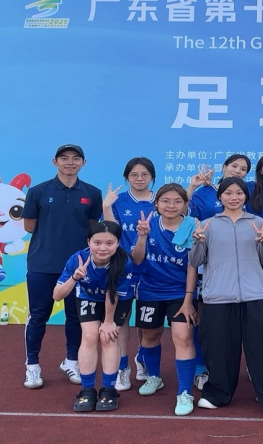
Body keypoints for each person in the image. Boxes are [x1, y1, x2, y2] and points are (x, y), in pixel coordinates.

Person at [187, 177, 263, 426]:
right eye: (228, 193)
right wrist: (198, 241)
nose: (233, 197)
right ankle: (218, 393)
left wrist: (262, 243)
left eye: (238, 193)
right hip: (218, 295)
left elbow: (262, 259)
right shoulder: (208, 224)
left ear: (246, 196)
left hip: (254, 293)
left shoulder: (258, 222)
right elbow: (196, 261)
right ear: (220, 197)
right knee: (219, 348)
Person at [22, 144, 103, 389]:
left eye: (76, 158)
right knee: (38, 316)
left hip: (77, 267)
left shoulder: (93, 193)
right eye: (64, 158)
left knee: (75, 317)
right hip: (42, 264)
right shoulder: (38, 191)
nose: (70, 162)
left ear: (83, 163)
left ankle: (71, 361)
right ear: (54, 162)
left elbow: (91, 227)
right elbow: (29, 225)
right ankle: (32, 365)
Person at [53, 221, 144, 412]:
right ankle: (87, 390)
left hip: (118, 299)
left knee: (108, 337)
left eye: (109, 243)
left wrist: (109, 322)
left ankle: (108, 390)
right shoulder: (77, 259)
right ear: (88, 242)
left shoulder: (123, 262)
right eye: (97, 242)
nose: (103, 248)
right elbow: (57, 295)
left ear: (117, 243)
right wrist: (75, 277)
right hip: (89, 297)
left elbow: (113, 294)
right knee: (89, 336)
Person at [185, 154, 252, 390]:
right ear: (224, 167)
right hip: (205, 261)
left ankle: (236, 367)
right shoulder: (205, 191)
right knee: (202, 317)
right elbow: (184, 213)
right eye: (234, 166)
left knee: (232, 322)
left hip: (236, 266)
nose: (237, 171)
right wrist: (192, 186)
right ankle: (200, 369)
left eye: (243, 169)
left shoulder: (245, 194)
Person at [132, 184, 198, 416]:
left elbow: (193, 265)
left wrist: (188, 299)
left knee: (183, 337)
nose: (171, 206)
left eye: (177, 201)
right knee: (150, 336)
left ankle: (184, 392)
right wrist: (142, 237)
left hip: (180, 293)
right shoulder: (147, 224)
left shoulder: (192, 226)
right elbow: (137, 259)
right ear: (156, 204)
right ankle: (154, 377)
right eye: (166, 201)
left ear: (185, 204)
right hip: (150, 290)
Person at [102, 157, 156, 391]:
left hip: (154, 269)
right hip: (124, 268)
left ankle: (142, 357)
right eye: (134, 175)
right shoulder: (119, 201)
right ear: (126, 177)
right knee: (121, 320)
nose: (139, 179)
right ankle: (122, 367)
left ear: (152, 177)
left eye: (145, 174)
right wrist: (106, 207)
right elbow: (111, 232)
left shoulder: (161, 200)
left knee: (147, 321)